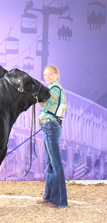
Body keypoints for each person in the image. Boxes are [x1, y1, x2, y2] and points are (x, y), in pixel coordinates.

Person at [36, 65, 68, 208]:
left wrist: (37, 98)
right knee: (50, 163)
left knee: (55, 163)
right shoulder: (56, 89)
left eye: (50, 74)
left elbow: (45, 104)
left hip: (50, 125)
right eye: (45, 75)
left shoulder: (54, 89)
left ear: (57, 75)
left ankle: (59, 201)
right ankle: (48, 197)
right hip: (50, 125)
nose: (47, 77)